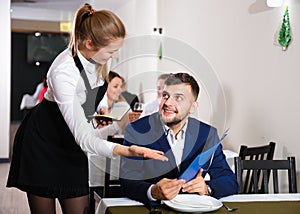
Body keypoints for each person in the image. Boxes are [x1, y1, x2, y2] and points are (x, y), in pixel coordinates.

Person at [7, 3, 167, 214]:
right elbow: (84, 137)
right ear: (90, 43)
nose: (115, 56)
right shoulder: (64, 71)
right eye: (111, 51)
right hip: (43, 143)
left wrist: (96, 112)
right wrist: (127, 150)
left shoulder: (97, 60)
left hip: (72, 147)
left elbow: (91, 95)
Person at [120, 73, 238, 207]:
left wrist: (207, 188)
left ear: (193, 107)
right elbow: (127, 181)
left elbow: (230, 181)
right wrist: (153, 191)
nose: (168, 103)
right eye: (165, 95)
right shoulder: (137, 130)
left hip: (194, 209)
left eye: (178, 98)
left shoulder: (207, 134)